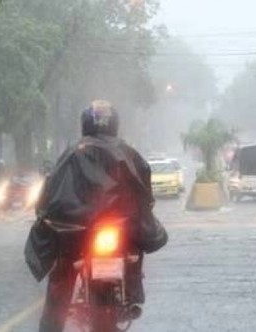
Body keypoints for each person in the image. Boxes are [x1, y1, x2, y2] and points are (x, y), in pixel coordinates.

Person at [25, 100, 167, 332]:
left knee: (62, 276)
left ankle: (51, 327)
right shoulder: (128, 153)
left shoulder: (72, 152)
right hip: (113, 231)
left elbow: (49, 197)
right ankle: (131, 293)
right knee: (126, 255)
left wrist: (52, 219)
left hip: (81, 233)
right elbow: (145, 193)